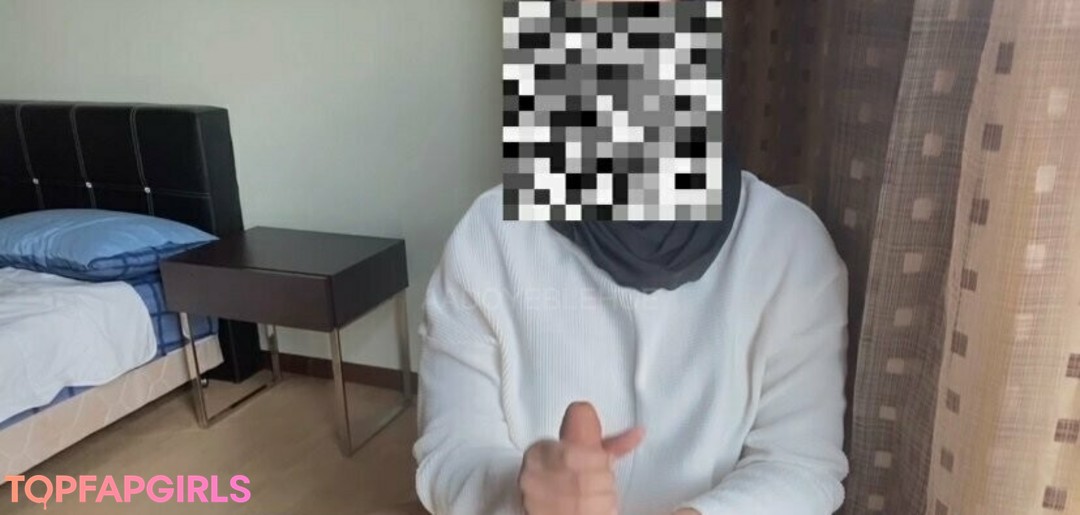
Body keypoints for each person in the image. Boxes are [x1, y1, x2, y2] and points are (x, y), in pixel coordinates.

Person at [413, 167, 849, 515]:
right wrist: (519, 492)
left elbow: (800, 465)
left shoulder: (788, 244)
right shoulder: (488, 234)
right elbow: (451, 451)